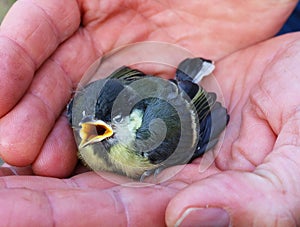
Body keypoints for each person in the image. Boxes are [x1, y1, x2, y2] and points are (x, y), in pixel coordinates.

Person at [0, 0, 300, 226]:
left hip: (183, 95)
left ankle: (188, 76)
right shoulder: (85, 113)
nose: (84, 128)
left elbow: (198, 130)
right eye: (83, 121)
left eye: (107, 124)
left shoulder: (152, 138)